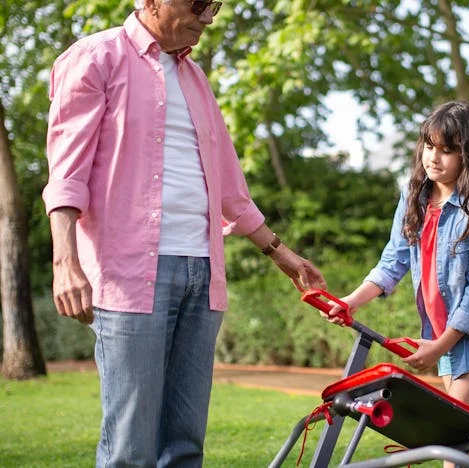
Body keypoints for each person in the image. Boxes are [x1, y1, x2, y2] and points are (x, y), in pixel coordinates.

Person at [43, 1, 326, 466]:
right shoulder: (96, 58)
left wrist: (280, 252)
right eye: (197, 3)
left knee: (184, 446)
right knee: (129, 449)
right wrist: (65, 263)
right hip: (131, 276)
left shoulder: (196, 81)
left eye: (214, 5)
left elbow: (230, 188)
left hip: (202, 273)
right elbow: (66, 173)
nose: (208, 15)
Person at [324, 100, 469, 467]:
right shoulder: (415, 197)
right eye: (429, 146)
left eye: (448, 150)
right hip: (444, 334)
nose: (434, 157)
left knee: (452, 435)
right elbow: (393, 261)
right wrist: (351, 301)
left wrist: (438, 347)